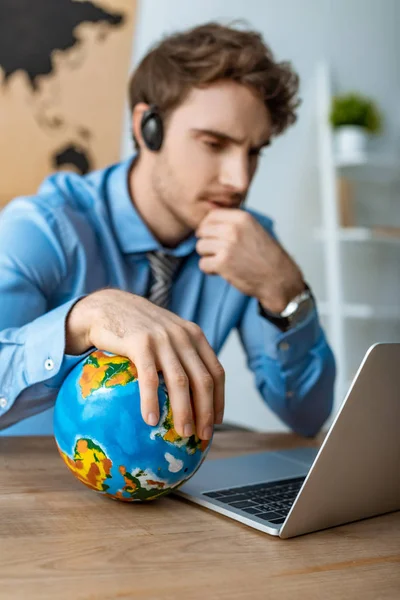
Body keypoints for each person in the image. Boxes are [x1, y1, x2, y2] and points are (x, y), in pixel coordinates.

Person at [0, 22, 335, 440]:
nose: (239, 180)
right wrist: (80, 322)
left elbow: (307, 418)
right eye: (214, 144)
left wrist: (286, 292)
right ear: (147, 128)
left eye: (253, 152)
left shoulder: (248, 245)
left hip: (172, 486)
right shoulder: (44, 227)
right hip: (34, 487)